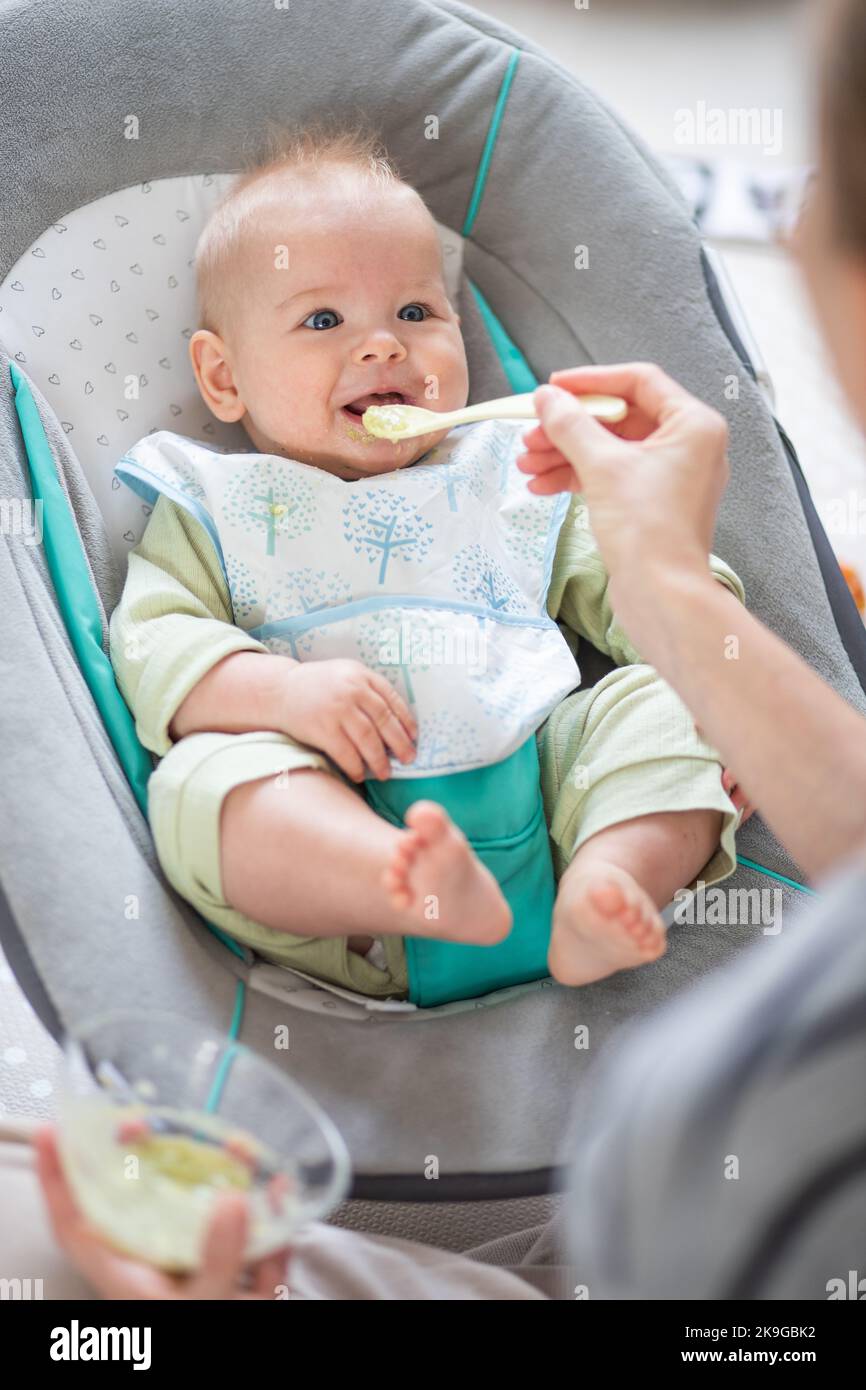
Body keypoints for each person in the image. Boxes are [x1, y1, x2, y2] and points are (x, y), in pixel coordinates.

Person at [4, 0, 866, 1301]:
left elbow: (634, 601)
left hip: (537, 788)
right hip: (343, 834)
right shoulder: (212, 498)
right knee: (211, 786)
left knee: (649, 709)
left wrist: (685, 639)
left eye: (418, 308)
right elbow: (162, 657)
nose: (382, 344)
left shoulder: (512, 464)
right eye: (319, 321)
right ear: (220, 378)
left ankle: (611, 888)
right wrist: (281, 693)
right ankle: (384, 882)